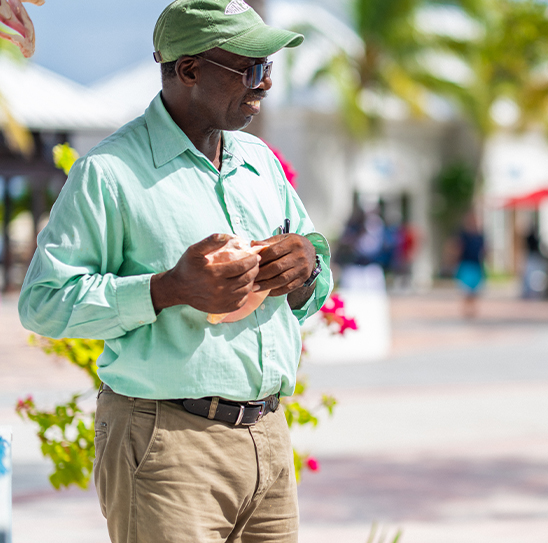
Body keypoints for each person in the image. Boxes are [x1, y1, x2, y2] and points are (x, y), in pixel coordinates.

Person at [17, 1, 333, 541]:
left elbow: (315, 280)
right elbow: (44, 302)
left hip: (269, 440)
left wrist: (307, 266)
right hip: (167, 444)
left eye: (269, 69)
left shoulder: (260, 163)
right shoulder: (110, 173)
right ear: (188, 69)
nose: (264, 86)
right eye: (251, 69)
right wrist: (167, 289)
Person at [455, 211, 486, 319]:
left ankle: (472, 310)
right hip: (466, 264)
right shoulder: (463, 235)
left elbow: (484, 251)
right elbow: (458, 248)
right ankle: (466, 310)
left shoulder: (480, 236)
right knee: (466, 290)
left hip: (476, 265)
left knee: (475, 290)